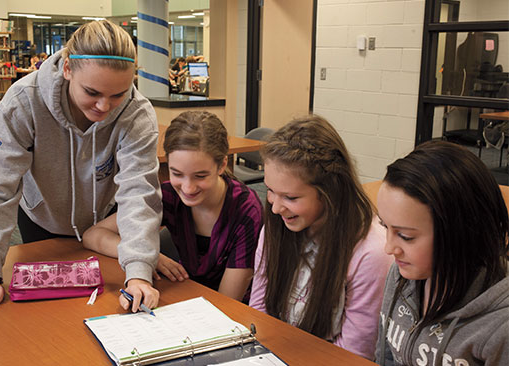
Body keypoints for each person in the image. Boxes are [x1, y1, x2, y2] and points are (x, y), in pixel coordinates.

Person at [0, 20, 162, 319]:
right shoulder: (23, 101)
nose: (104, 106)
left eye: (118, 95)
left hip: (103, 222)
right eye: (92, 92)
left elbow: (139, 192)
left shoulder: (136, 112)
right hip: (41, 216)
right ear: (67, 69)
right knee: (47, 320)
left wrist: (139, 270)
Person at [249, 115, 392, 360]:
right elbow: (259, 314)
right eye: (270, 191)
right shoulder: (276, 225)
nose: (275, 208)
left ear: (330, 191)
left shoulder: (371, 251)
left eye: (291, 198)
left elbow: (354, 354)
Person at [83, 111, 263, 301]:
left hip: (229, 309)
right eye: (177, 174)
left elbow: (228, 300)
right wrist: (146, 255)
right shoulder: (167, 195)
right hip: (186, 293)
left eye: (200, 176)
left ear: (221, 165)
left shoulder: (245, 210)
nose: (188, 188)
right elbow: (93, 235)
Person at [375, 141, 508, 366]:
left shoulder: (500, 325)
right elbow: (384, 357)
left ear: (461, 234)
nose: (389, 248)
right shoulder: (402, 275)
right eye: (385, 227)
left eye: (406, 236)